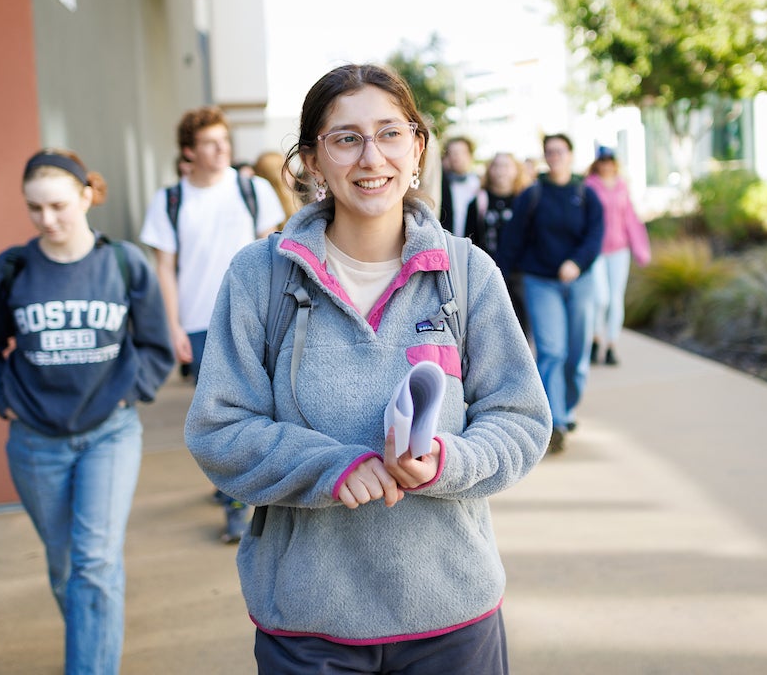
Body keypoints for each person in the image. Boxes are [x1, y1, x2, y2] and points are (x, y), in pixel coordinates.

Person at [184, 63, 551, 674]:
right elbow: (218, 430)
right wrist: (331, 468)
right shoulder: (259, 277)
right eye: (346, 138)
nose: (370, 157)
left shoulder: (466, 274)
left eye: (390, 133)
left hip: (452, 616)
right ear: (310, 162)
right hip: (309, 624)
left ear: (418, 150)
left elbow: (519, 418)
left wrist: (447, 461)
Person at [0, 148, 174, 675]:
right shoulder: (13, 270)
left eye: (58, 205)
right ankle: (94, 637)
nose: (47, 219)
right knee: (66, 568)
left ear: (86, 196)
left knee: (95, 563)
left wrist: (129, 393)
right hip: (35, 442)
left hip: (110, 433)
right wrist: (5, 401)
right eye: (34, 209)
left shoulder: (123, 263)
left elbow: (155, 347)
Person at [139, 106, 285, 542]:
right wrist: (173, 327)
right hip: (201, 322)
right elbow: (164, 268)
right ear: (189, 151)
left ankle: (243, 494)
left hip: (256, 317)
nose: (222, 148)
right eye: (210, 142)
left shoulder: (252, 188)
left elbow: (274, 253)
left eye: (225, 140)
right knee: (222, 417)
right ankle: (235, 503)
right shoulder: (169, 200)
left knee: (264, 408)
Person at [498, 133, 604, 454]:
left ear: (571, 155)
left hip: (580, 281)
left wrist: (576, 262)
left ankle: (567, 408)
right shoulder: (533, 195)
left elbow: (596, 236)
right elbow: (512, 241)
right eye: (550, 152)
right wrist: (498, 279)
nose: (555, 156)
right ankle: (554, 422)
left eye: (560, 151)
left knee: (575, 356)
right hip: (540, 281)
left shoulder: (586, 194)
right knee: (552, 351)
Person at [585, 146, 651, 366]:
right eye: (602, 161)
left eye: (610, 160)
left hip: (619, 250)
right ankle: (595, 337)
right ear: (597, 163)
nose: (606, 165)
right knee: (600, 298)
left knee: (615, 299)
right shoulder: (590, 186)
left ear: (615, 162)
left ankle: (611, 344)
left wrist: (640, 249)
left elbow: (630, 218)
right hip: (597, 251)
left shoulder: (622, 186)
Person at [464, 151, 532, 333]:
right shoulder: (478, 202)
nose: (501, 171)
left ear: (516, 171)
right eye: (497, 166)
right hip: (487, 272)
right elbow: (469, 240)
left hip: (519, 275)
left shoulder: (525, 200)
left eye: (506, 166)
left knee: (520, 326)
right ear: (490, 170)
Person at [438, 135, 480, 236]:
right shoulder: (440, 184)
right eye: (452, 153)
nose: (457, 157)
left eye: (461, 152)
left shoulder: (478, 186)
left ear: (470, 156)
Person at [253, 149, 301, 222]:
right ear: (277, 175)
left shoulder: (258, 204)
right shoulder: (288, 207)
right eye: (287, 168)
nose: (293, 172)